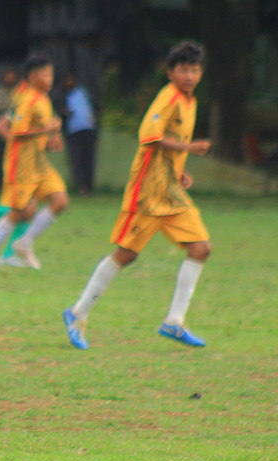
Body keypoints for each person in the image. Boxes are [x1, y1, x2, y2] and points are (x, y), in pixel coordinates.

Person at [62, 41, 213, 351]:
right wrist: (188, 149)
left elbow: (170, 143)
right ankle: (77, 314)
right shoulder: (168, 98)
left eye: (195, 70)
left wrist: (179, 168)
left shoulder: (190, 101)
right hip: (147, 192)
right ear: (171, 72)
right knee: (126, 254)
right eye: (183, 69)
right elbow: (150, 136)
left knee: (200, 248)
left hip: (171, 191)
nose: (189, 75)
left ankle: (174, 321)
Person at [0, 54, 68, 270]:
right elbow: (17, 132)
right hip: (21, 166)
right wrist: (47, 131)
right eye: (45, 74)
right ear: (33, 76)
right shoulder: (27, 99)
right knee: (20, 211)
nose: (50, 78)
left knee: (60, 202)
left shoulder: (44, 100)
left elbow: (36, 134)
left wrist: (50, 142)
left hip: (40, 165)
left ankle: (23, 244)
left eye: (51, 74)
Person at [60, 73, 97, 195]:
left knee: (89, 158)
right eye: (67, 81)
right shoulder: (63, 95)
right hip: (73, 131)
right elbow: (59, 109)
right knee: (77, 159)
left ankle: (89, 185)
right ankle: (81, 186)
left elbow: (95, 105)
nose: (69, 82)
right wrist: (65, 112)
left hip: (88, 128)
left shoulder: (84, 92)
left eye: (71, 80)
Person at [0, 68, 19, 192]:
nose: (10, 80)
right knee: (1, 157)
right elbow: (2, 107)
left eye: (12, 77)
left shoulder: (19, 92)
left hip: (18, 129)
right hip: (5, 130)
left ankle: (13, 185)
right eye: (8, 77)